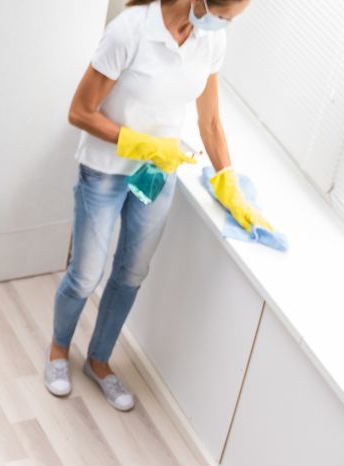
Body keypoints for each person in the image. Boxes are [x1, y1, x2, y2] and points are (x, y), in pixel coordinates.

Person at [50, 0, 273, 413]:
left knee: (131, 273)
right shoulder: (130, 31)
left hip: (156, 176)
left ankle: (98, 361)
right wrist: (142, 143)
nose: (224, 25)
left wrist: (229, 184)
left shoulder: (209, 43)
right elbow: (80, 112)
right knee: (84, 275)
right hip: (104, 171)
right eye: (223, 16)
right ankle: (58, 352)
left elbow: (210, 122)